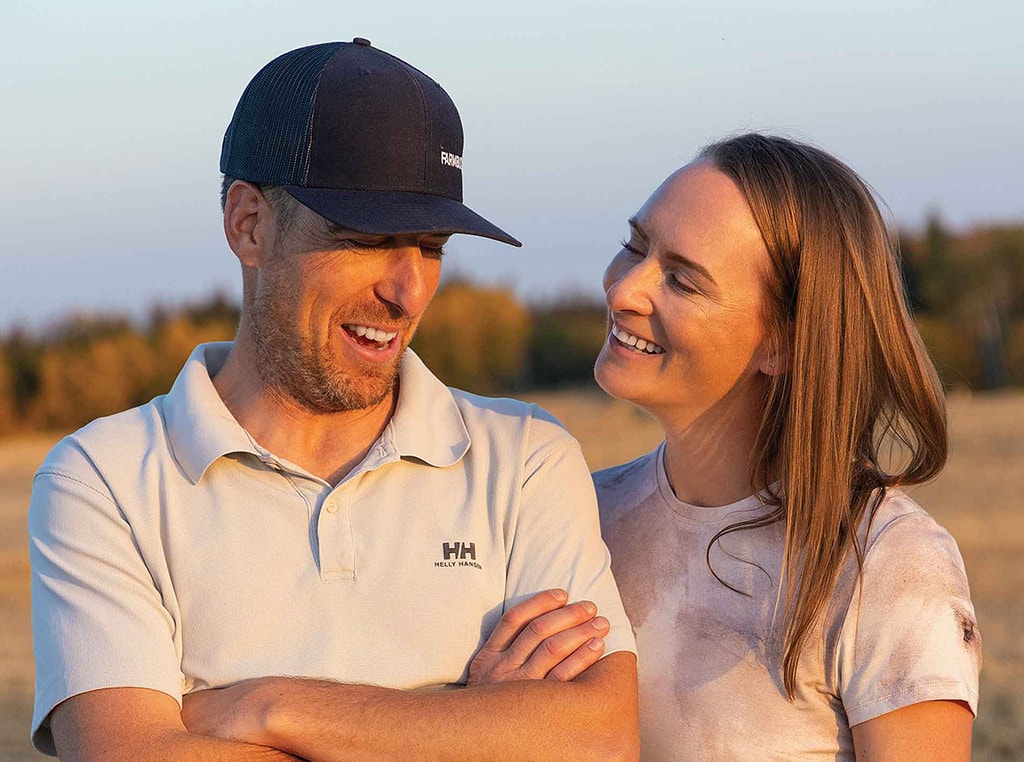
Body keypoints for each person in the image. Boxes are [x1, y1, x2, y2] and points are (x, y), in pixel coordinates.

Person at [29, 40, 638, 760]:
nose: (408, 291)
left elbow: (597, 741)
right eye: (366, 239)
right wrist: (471, 726)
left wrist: (267, 707)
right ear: (247, 224)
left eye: (432, 246)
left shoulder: (527, 459)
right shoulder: (102, 481)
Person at [593, 133, 980, 760]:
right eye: (635, 246)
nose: (623, 291)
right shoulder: (577, 515)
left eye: (682, 281)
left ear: (783, 342)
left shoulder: (882, 561)